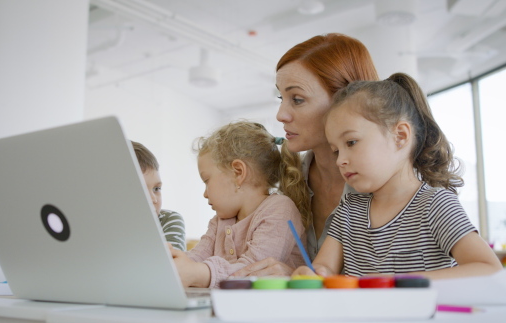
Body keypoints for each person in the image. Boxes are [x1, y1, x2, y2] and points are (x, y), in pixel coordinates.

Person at [293, 75, 503, 279]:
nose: (340, 160)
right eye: (336, 151)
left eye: (351, 143)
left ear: (400, 136)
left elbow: (489, 269)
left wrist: (403, 283)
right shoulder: (349, 210)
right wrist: (312, 273)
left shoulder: (435, 205)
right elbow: (325, 268)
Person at [231, 33, 379, 278]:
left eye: (297, 99)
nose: (280, 115)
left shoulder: (393, 187)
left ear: (347, 100)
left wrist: (295, 277)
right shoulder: (290, 180)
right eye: (282, 98)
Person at [168, 121, 308, 288]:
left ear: (238, 172)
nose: (205, 193)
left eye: (207, 181)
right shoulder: (220, 220)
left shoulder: (280, 209)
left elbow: (252, 271)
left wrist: (198, 274)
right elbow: (197, 257)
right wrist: (175, 261)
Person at [132, 141, 186, 251]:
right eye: (142, 190)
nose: (153, 199)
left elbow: (170, 266)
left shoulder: (169, 221)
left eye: (156, 189)